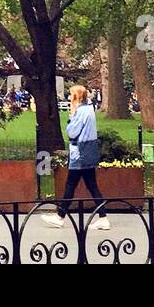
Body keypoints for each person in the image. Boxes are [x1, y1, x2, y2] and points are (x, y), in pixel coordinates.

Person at [44, 85, 110, 231]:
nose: (69, 97)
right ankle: (103, 217)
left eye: (71, 95)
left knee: (71, 184)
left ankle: (60, 217)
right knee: (92, 185)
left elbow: (72, 133)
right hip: (88, 151)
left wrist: (70, 119)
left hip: (79, 152)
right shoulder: (89, 109)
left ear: (76, 97)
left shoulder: (80, 112)